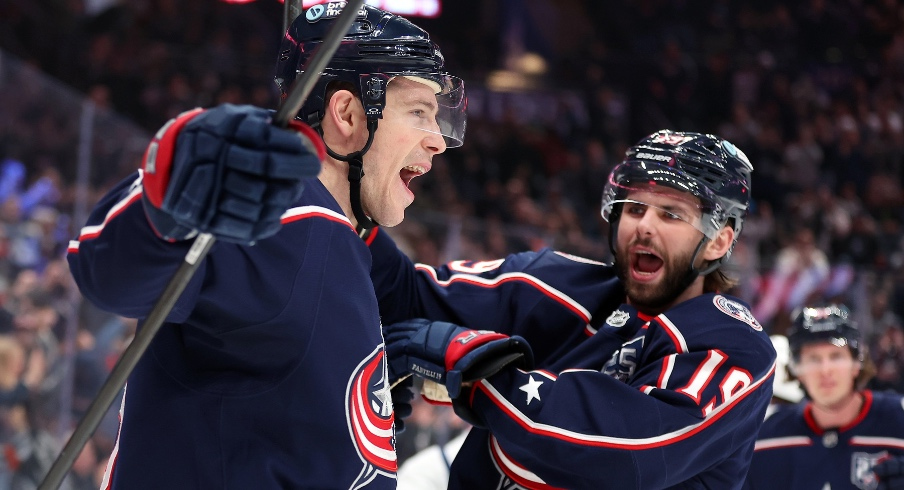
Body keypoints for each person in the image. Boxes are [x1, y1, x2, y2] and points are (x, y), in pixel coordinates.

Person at [66, 4, 467, 489]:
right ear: (348, 114)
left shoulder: (347, 244)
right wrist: (170, 186)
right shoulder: (283, 213)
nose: (437, 142)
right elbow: (108, 274)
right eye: (419, 111)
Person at [372, 130, 777, 488]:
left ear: (719, 242)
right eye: (634, 209)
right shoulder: (552, 282)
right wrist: (343, 197)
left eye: (671, 214)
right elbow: (406, 295)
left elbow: (628, 453)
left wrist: (480, 372)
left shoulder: (733, 344)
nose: (644, 226)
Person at [745, 304, 904, 490]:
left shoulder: (899, 418)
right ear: (797, 370)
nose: (825, 370)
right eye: (813, 359)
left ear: (857, 363)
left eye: (835, 356)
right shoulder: (764, 440)